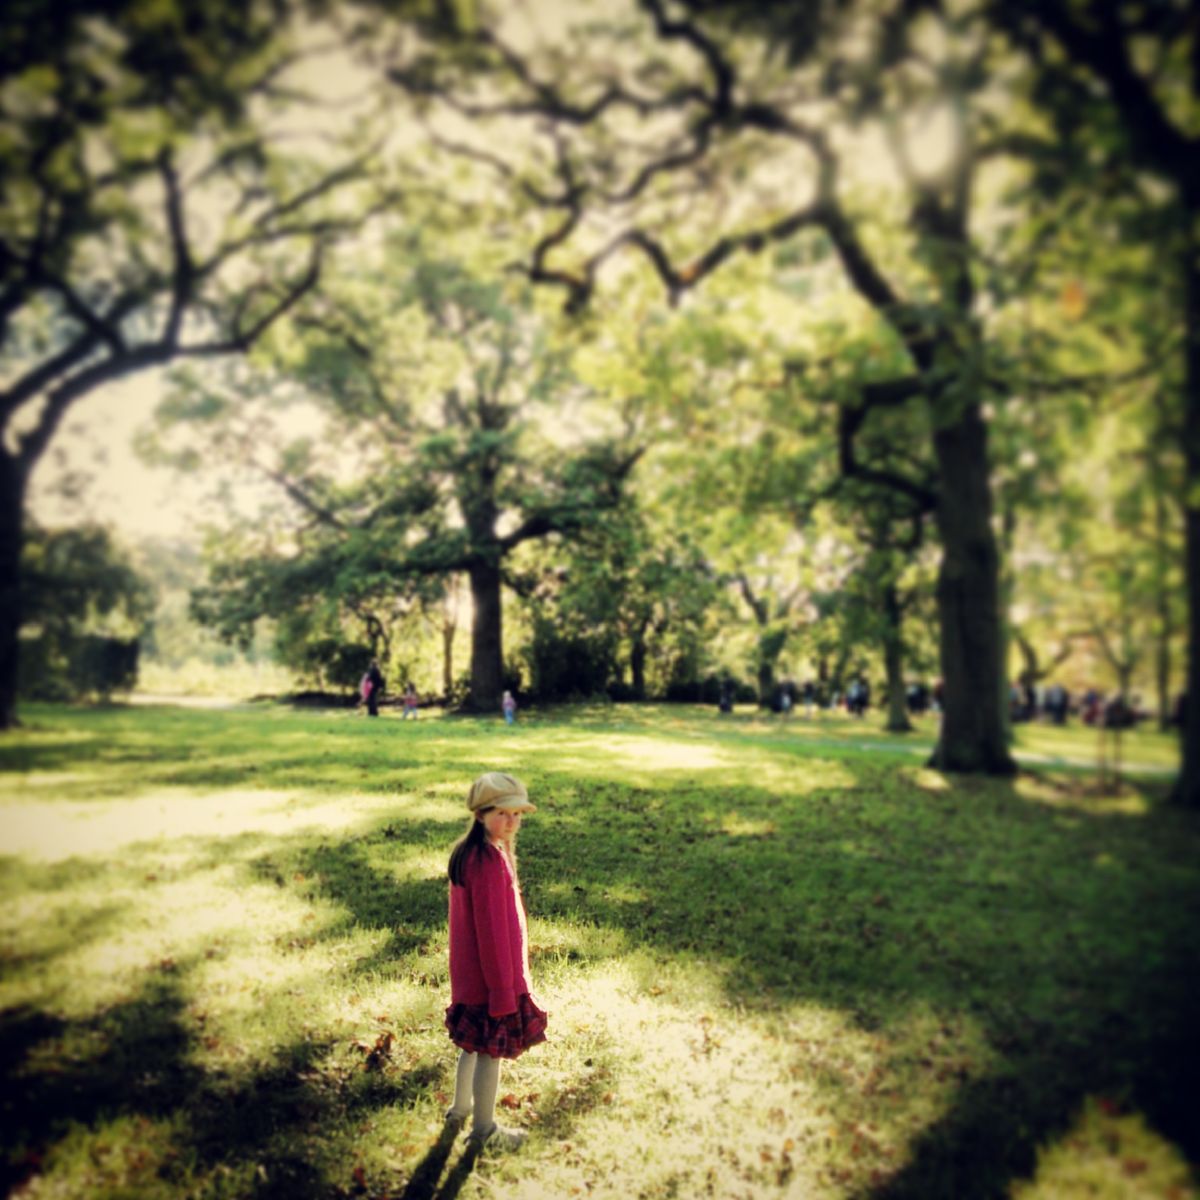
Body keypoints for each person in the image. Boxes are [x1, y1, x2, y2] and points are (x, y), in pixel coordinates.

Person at [443, 772, 547, 1152]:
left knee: (471, 1045)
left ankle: (459, 1109)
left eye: (518, 814)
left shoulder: (474, 852)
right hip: (491, 981)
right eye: (503, 814)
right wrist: (504, 991)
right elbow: (490, 934)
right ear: (481, 814)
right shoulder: (486, 862)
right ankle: (483, 1129)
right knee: (489, 1052)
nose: (512, 822)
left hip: (472, 978)